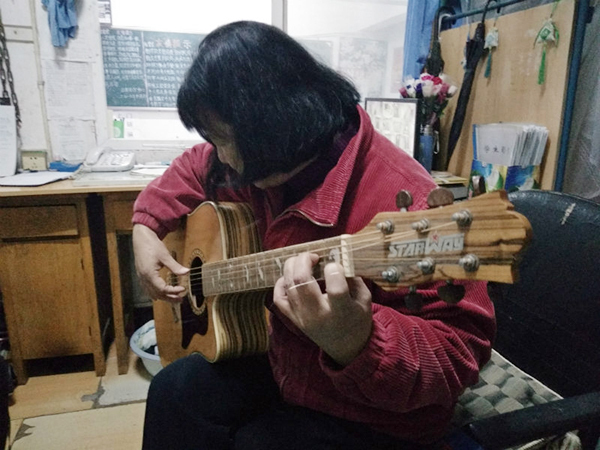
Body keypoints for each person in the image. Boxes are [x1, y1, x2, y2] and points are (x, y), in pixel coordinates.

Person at [132, 21, 495, 450]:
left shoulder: (412, 203)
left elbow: (460, 356)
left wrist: (360, 342)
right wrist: (146, 224)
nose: (221, 157)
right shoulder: (262, 158)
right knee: (173, 392)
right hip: (283, 358)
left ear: (275, 129)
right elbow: (196, 164)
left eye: (224, 141)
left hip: (374, 414)